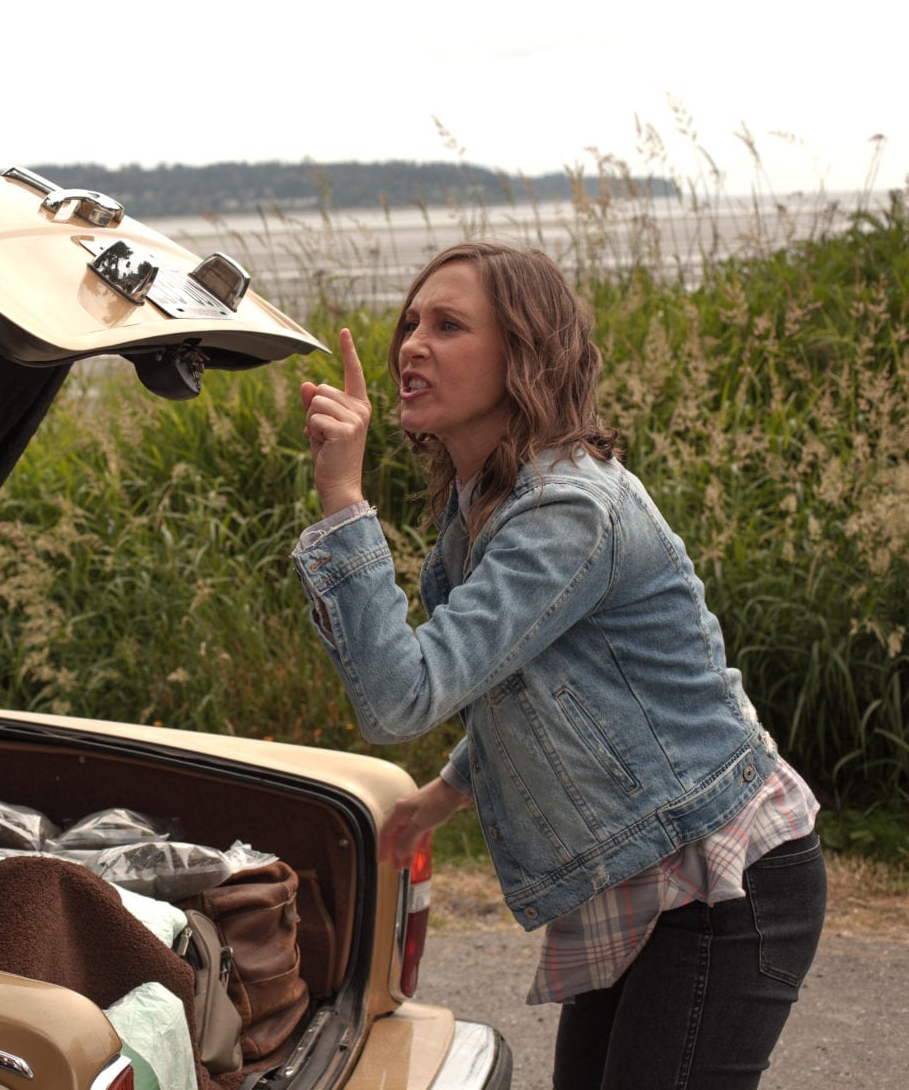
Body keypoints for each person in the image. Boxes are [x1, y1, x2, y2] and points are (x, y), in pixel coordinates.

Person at [294, 242, 826, 1089]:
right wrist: (448, 792)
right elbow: (540, 684)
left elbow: (404, 698)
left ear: (524, 356)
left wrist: (343, 501)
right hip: (644, 872)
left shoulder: (568, 509)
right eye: (411, 322)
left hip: (719, 875)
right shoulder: (487, 501)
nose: (412, 345)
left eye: (448, 325)